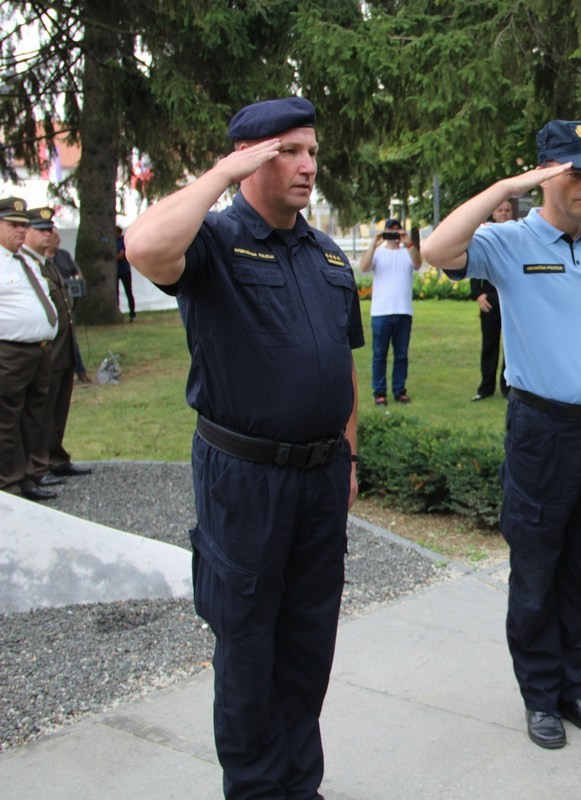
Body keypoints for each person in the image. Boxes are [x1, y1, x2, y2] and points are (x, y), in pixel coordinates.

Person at [124, 97, 363, 800]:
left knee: (308, 640)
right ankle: (257, 788)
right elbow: (143, 247)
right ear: (249, 159)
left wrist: (349, 459)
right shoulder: (214, 241)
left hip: (320, 478)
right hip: (246, 480)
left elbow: (343, 368)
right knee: (248, 641)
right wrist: (220, 175)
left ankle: (300, 783)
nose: (308, 165)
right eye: (289, 151)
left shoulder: (325, 254)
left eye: (311, 150)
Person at [420, 120, 581, 751]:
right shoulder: (506, 241)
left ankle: (573, 687)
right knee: (537, 571)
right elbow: (436, 250)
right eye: (574, 173)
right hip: (542, 431)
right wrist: (505, 188)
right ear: (544, 176)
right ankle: (540, 695)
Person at [20, 208, 91, 485]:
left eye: (49, 229)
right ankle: (37, 464)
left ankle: (55, 457)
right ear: (26, 232)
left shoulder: (48, 264)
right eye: (40, 230)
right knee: (40, 412)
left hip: (63, 350)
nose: (48, 234)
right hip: (46, 351)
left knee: (58, 409)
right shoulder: (25, 265)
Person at [0, 197, 59, 501]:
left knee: (33, 417)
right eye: (13, 225)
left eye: (23, 226)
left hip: (38, 351)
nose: (21, 231)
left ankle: (28, 476)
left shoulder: (25, 261)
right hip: (10, 351)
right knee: (6, 419)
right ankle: (8, 483)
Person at [360, 217, 421, 405]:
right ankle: (379, 392)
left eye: (397, 230)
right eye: (391, 230)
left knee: (401, 355)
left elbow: (418, 263)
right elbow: (363, 267)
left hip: (403, 311)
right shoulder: (378, 253)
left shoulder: (407, 252)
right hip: (381, 312)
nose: (394, 234)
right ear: (385, 232)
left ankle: (399, 390)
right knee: (379, 355)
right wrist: (373, 245)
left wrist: (408, 242)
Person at [469, 199, 516, 401]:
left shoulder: (517, 236)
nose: (504, 213)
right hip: (489, 298)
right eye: (500, 210)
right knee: (489, 344)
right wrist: (478, 294)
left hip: (511, 298)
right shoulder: (485, 235)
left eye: (507, 210)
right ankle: (485, 388)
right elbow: (474, 264)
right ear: (494, 214)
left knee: (511, 346)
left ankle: (508, 388)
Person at [46, 229, 89, 383]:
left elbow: (77, 273)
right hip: (47, 306)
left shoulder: (63, 255)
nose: (58, 239)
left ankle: (80, 371)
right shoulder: (39, 259)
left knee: (71, 339)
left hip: (66, 303)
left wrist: (76, 280)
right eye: (55, 237)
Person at [115, 226, 135, 321]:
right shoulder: (112, 242)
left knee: (128, 292)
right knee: (116, 293)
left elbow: (122, 255)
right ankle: (117, 312)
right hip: (115, 271)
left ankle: (132, 313)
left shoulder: (123, 241)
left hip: (125, 270)